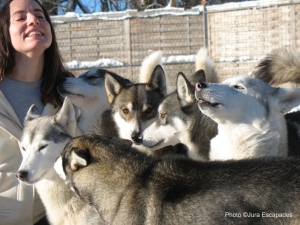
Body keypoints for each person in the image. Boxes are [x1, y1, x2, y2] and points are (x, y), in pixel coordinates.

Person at [0, 0, 74, 224]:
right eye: (21, 18)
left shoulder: (73, 94)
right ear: (4, 32)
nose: (33, 20)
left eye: (40, 16)